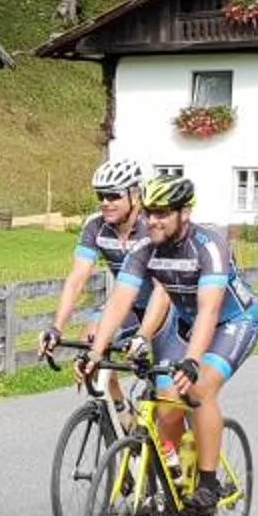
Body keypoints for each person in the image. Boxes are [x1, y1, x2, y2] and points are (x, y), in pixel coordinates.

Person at [79, 175, 258, 516]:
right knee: (166, 404)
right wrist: (96, 351)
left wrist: (192, 361)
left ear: (184, 213)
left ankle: (208, 483)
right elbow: (119, 303)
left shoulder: (209, 245)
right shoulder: (145, 249)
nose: (153, 221)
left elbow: (210, 309)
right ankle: (171, 483)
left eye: (162, 214)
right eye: (149, 213)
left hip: (233, 322)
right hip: (188, 325)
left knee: (199, 388)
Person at [38, 158, 161, 384]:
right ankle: (117, 411)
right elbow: (77, 280)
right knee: (89, 346)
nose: (105, 202)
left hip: (163, 306)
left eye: (113, 196)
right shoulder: (95, 226)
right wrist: (57, 327)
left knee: (168, 388)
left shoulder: (152, 227)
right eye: (100, 196)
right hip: (126, 304)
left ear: (135, 196)